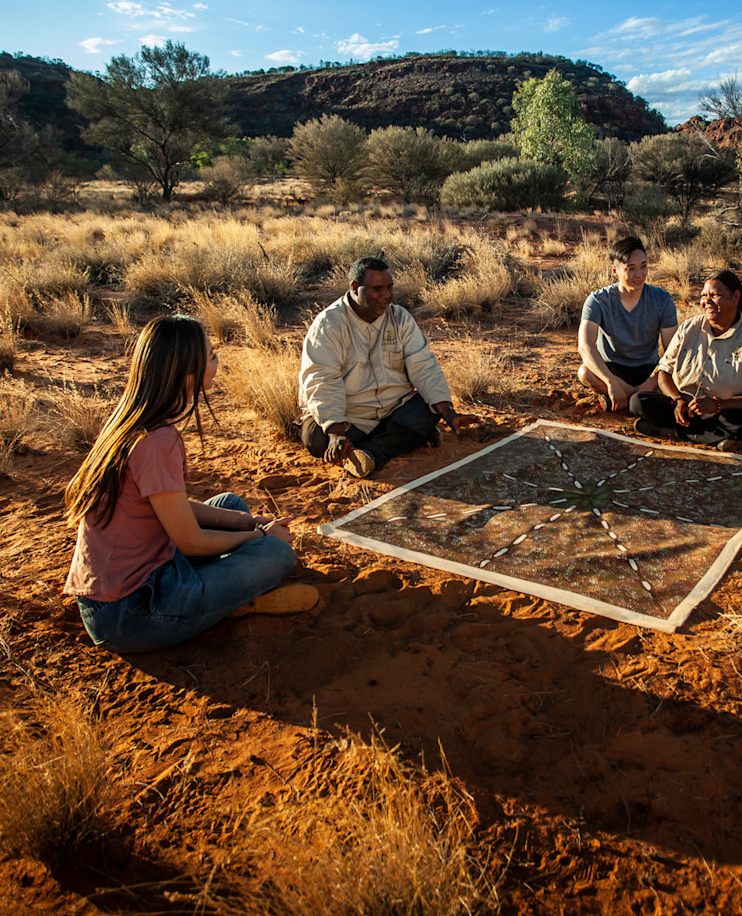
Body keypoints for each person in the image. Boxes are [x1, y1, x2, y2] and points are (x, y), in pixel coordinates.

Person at [63, 314, 315, 654]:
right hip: (131, 611)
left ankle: (221, 588)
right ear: (188, 374)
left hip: (128, 585)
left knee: (229, 506)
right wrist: (262, 536)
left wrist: (246, 522)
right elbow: (191, 541)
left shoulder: (130, 418)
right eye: (211, 356)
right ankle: (230, 605)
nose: (217, 361)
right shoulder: (158, 441)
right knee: (276, 554)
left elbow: (170, 511)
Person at [299, 256, 482, 477]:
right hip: (350, 414)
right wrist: (336, 431)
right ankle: (409, 439)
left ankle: (371, 456)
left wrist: (448, 413)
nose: (386, 295)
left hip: (393, 408)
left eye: (389, 288)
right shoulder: (329, 324)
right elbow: (322, 379)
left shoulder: (400, 318)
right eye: (377, 289)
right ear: (355, 288)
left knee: (428, 411)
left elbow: (424, 366)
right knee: (317, 439)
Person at [631, 269, 742, 450]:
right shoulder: (690, 327)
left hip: (721, 413)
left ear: (735, 297)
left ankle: (673, 433)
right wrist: (678, 401)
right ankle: (710, 437)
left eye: (714, 295)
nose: (706, 301)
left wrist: (717, 405)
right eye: (703, 296)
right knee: (638, 402)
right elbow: (664, 372)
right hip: (681, 409)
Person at [578, 236, 678, 412]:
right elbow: (585, 346)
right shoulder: (597, 300)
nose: (639, 275)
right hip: (613, 369)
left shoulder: (662, 299)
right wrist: (610, 381)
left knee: (680, 375)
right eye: (630, 269)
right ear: (615, 270)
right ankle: (637, 398)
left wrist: (651, 382)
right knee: (585, 373)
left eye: (643, 266)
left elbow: (672, 350)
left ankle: (626, 398)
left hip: (649, 369)